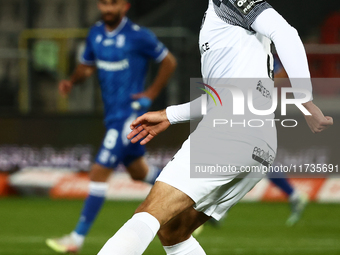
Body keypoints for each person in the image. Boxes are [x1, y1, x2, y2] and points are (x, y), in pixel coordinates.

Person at [97, 0, 333, 254]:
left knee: (149, 213)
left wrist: (304, 98)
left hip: (231, 132)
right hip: (260, 144)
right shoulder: (222, 21)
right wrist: (169, 115)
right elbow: (216, 97)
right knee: (174, 231)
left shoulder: (229, 2)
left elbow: (286, 33)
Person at [45, 0, 177, 253]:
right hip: (112, 114)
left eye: (113, 4)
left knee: (99, 171)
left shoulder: (138, 36)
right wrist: (72, 81)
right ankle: (191, 203)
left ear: (125, 6)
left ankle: (76, 239)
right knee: (139, 172)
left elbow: (169, 61)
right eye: (103, 3)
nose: (107, 9)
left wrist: (150, 92)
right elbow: (86, 67)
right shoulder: (95, 33)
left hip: (130, 114)